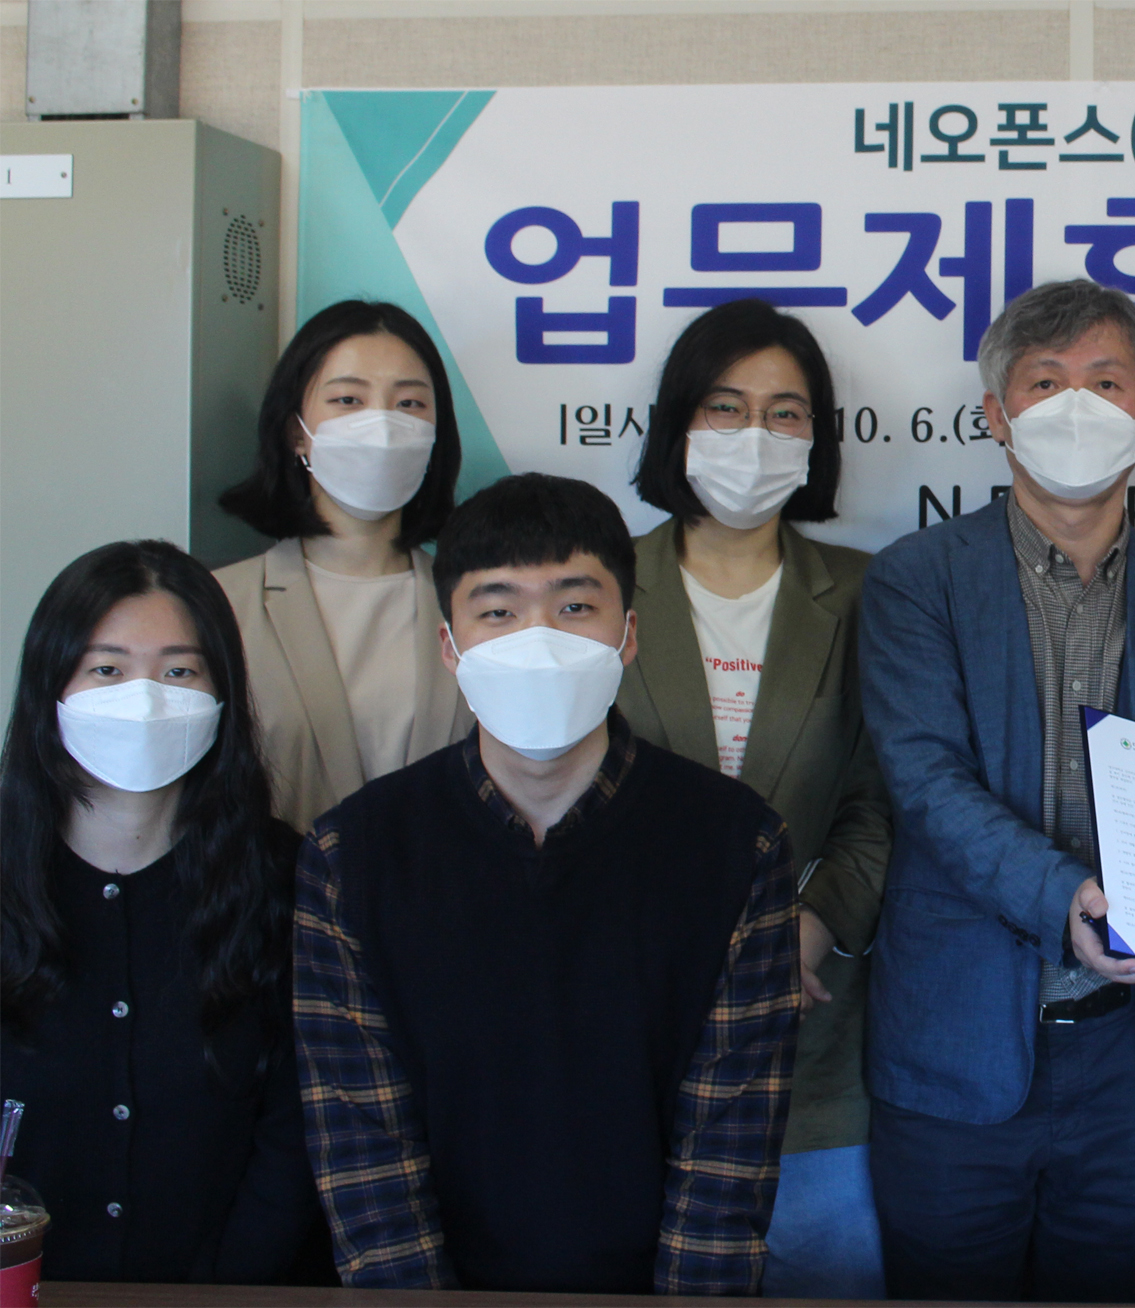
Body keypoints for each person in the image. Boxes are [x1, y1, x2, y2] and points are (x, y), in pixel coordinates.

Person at [293, 473, 799, 1294]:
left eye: (574, 606)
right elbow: (364, 1156)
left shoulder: (739, 842)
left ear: (628, 634)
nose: (538, 638)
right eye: (497, 611)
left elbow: (728, 1155)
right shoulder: (351, 854)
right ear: (450, 646)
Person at [859, 279, 1135, 1304]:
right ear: (996, 414)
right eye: (1045, 382)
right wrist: (1065, 897)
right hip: (955, 1047)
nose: (1076, 407)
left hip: (1133, 1054)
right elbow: (925, 780)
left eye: (1107, 383)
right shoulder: (915, 580)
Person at [616, 299, 890, 1300]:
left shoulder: (866, 593)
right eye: (725, 408)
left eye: (785, 413)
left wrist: (814, 925)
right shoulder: (596, 587)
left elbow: (880, 802)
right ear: (678, 423)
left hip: (809, 1051)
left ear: (815, 439)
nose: (754, 435)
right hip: (629, 1037)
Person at [0, 540, 321, 1283]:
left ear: (222, 694)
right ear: (52, 686)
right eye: (107, 670)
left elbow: (297, 1130)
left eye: (179, 671)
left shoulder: (289, 879)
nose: (144, 700)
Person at [214, 300, 472, 833]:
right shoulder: (218, 606)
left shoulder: (479, 606)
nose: (382, 425)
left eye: (410, 403)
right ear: (297, 432)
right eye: (348, 400)